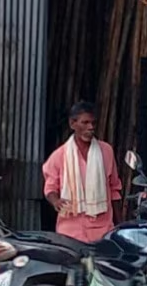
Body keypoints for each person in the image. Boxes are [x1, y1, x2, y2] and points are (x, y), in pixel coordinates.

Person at [42, 102, 123, 243]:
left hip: (102, 229)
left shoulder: (106, 151)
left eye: (93, 123)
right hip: (70, 231)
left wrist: (120, 225)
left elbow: (114, 190)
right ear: (72, 124)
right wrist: (56, 201)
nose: (90, 127)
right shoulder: (59, 155)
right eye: (85, 123)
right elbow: (50, 188)